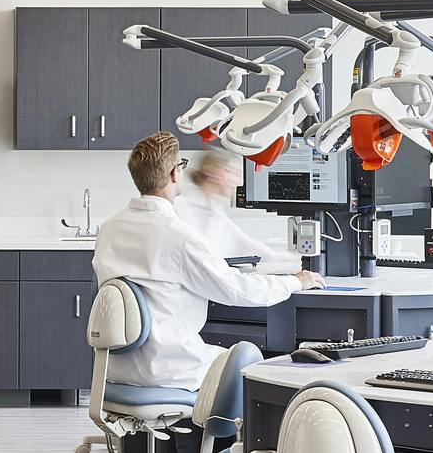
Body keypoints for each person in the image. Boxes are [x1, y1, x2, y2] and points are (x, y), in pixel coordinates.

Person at [98, 132, 322, 431]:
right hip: (170, 369)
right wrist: (295, 282)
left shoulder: (110, 228)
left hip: (117, 368)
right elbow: (238, 290)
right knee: (256, 363)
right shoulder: (179, 235)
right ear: (175, 173)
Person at [175, 142, 302, 274]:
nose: (235, 179)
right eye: (229, 171)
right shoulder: (182, 207)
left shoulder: (215, 211)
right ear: (214, 174)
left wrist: (294, 260)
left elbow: (246, 244)